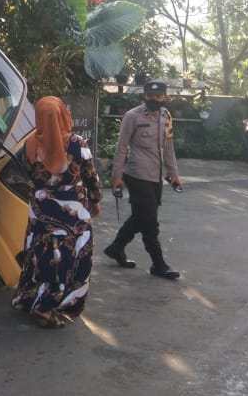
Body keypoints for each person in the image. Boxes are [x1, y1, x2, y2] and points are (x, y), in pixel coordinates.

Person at [11, 96, 103, 329]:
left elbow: (24, 176)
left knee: (39, 255)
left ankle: (31, 298)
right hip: (73, 213)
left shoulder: (30, 144)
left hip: (41, 210)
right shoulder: (76, 143)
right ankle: (50, 306)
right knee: (71, 257)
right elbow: (90, 175)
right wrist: (95, 200)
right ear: (63, 114)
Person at [103, 80, 183, 280]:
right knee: (150, 221)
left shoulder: (166, 116)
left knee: (141, 216)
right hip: (136, 174)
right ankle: (158, 264)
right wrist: (116, 177)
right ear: (144, 96)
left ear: (164, 97)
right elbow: (121, 147)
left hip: (155, 176)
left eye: (159, 96)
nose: (154, 99)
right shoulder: (132, 116)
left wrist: (173, 174)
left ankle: (116, 247)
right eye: (150, 96)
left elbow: (169, 148)